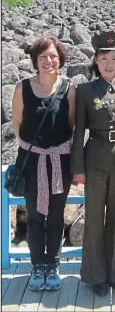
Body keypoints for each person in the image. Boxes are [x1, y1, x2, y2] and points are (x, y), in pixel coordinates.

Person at [70, 29, 115, 296]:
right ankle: (95, 275)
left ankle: (114, 274)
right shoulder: (85, 90)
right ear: (96, 60)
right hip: (95, 161)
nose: (109, 63)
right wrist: (77, 168)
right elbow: (79, 133)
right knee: (93, 220)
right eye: (104, 57)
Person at [12, 36, 76, 291]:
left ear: (60, 59)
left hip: (61, 160)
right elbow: (17, 125)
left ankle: (54, 264)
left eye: (53, 56)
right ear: (35, 61)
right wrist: (35, 149)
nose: (48, 61)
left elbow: (71, 126)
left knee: (57, 215)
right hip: (31, 161)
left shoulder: (69, 88)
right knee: (36, 215)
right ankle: (38, 265)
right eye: (43, 57)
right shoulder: (22, 88)